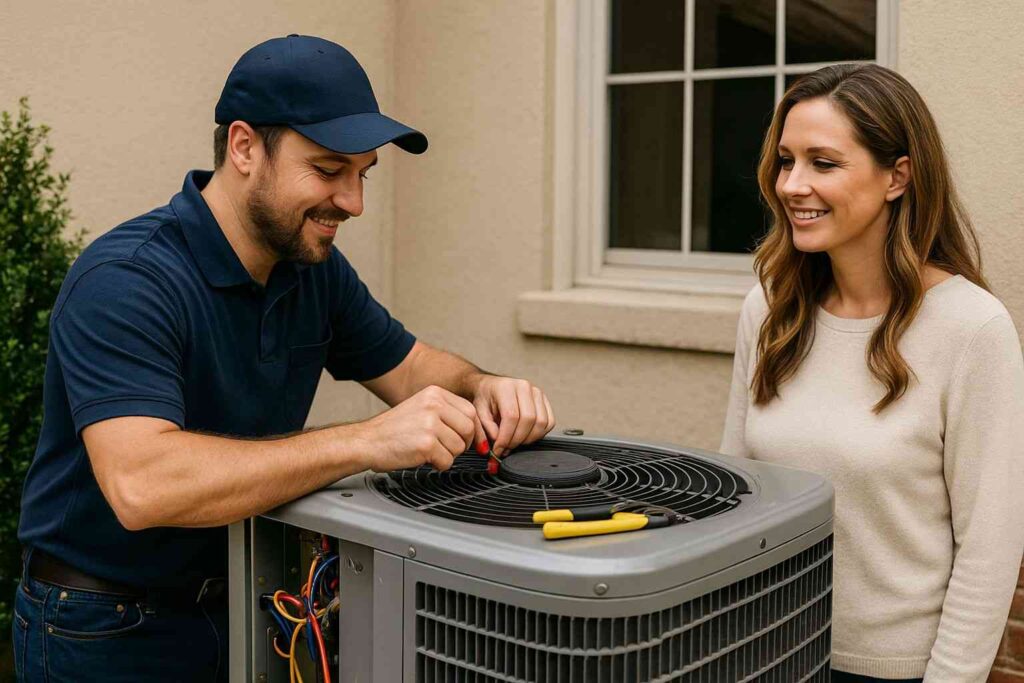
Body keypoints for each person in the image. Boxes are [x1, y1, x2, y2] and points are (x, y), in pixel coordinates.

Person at [11, 35, 555, 682]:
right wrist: (364, 442)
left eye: (362, 174)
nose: (353, 202)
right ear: (244, 147)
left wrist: (483, 385)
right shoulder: (126, 280)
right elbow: (142, 484)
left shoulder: (310, 268)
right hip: (103, 625)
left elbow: (409, 368)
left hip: (248, 599)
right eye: (328, 171)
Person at [720, 63, 1024, 682]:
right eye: (786, 161)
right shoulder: (771, 308)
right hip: (764, 652)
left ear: (897, 176)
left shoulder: (971, 330)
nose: (792, 185)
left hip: (895, 671)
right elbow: (737, 491)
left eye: (823, 163)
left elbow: (989, 552)